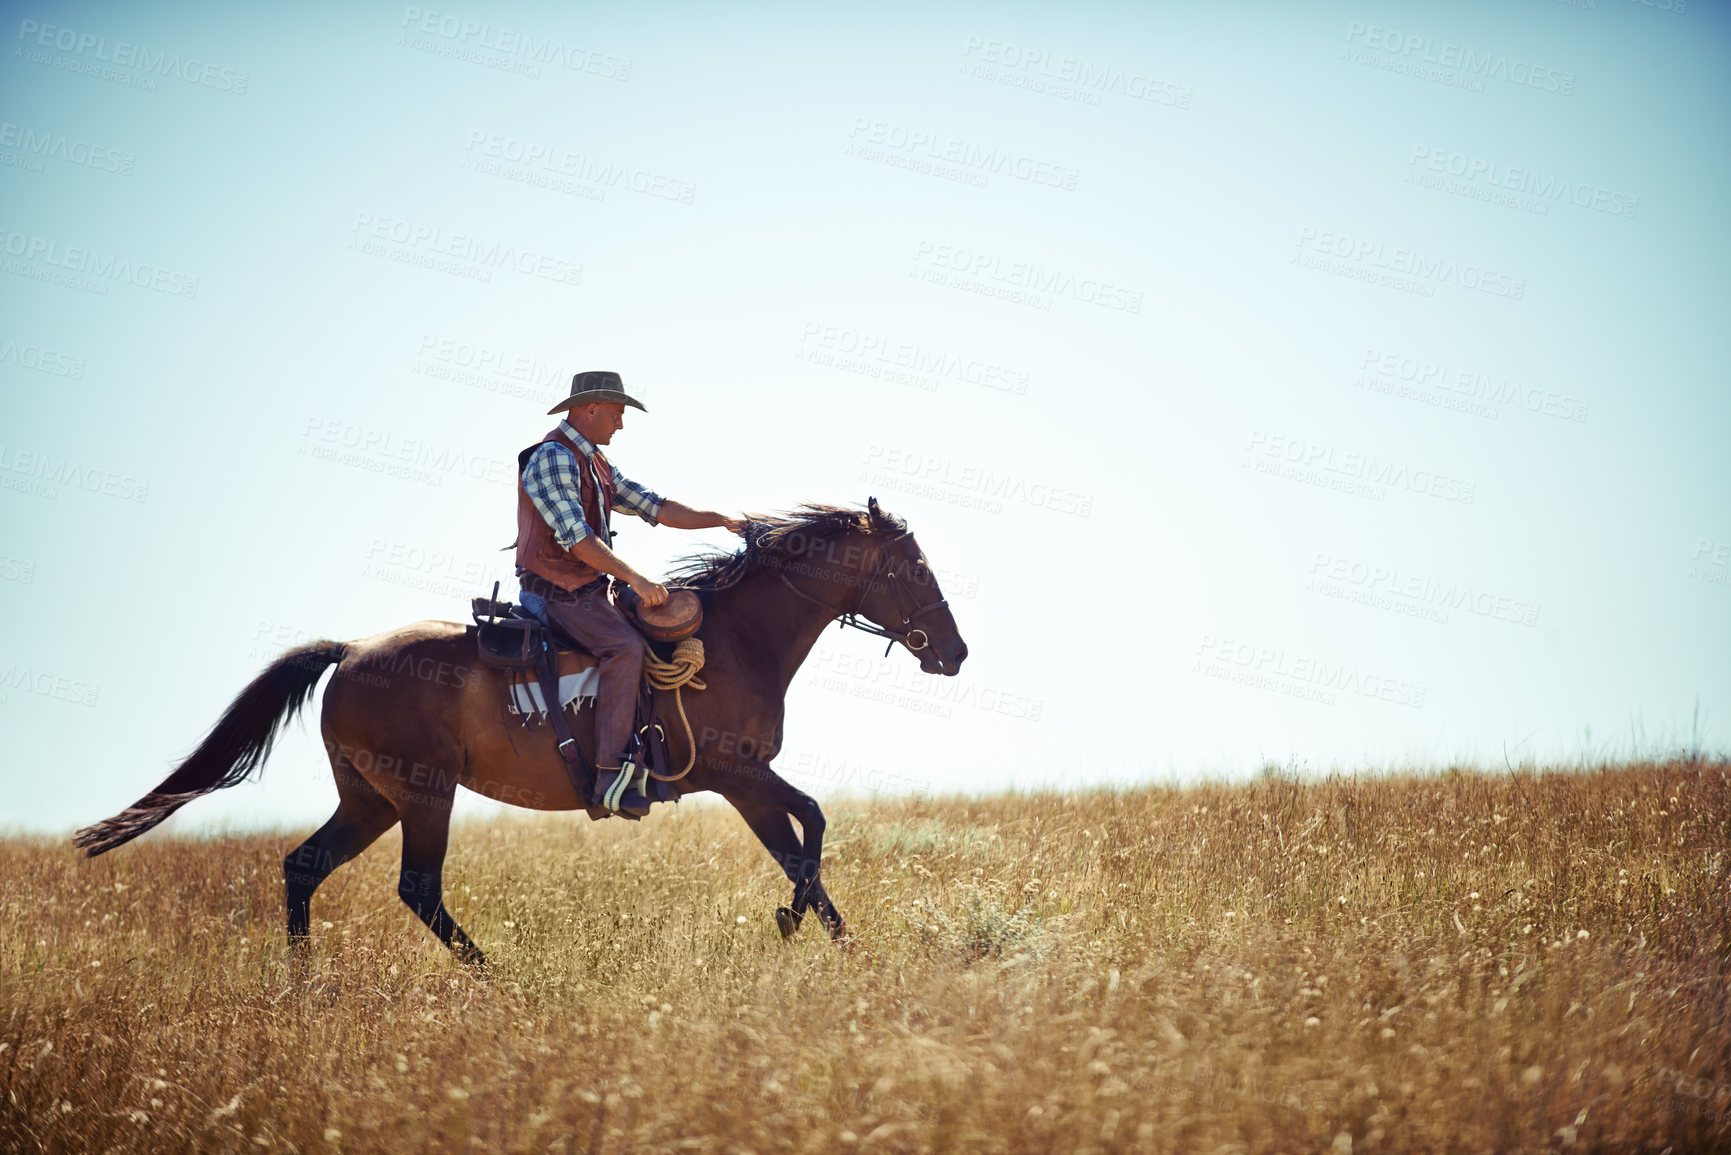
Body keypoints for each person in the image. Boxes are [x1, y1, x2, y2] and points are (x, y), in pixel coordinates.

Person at [513, 370, 746, 813]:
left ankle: (648, 755)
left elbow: (654, 505)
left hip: (585, 590)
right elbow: (577, 539)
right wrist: (636, 579)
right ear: (591, 409)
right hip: (555, 592)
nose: (620, 424)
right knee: (624, 648)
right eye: (618, 414)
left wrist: (719, 518)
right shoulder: (553, 457)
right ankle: (610, 778)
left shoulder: (596, 462)